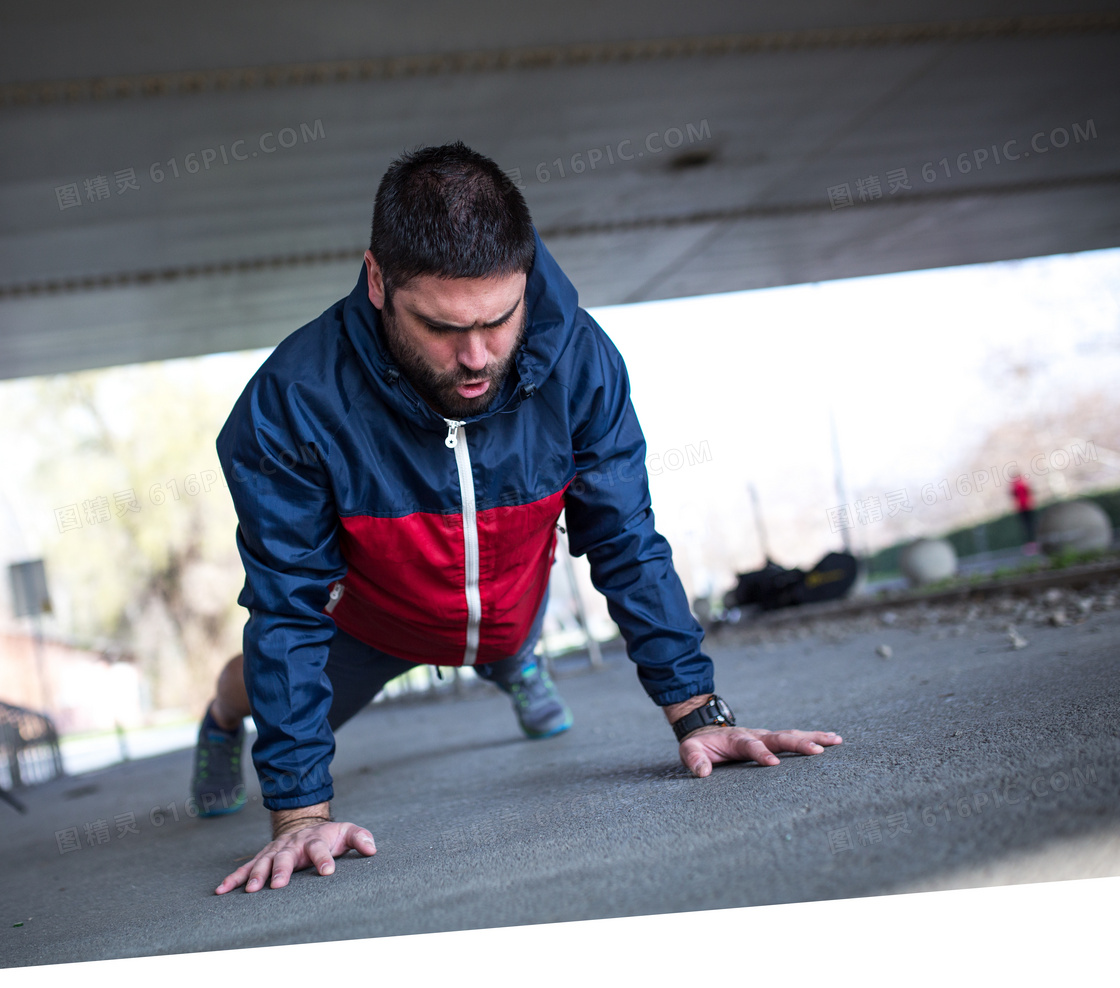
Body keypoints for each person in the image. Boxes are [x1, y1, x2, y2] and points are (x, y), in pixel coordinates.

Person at [192, 142, 843, 896]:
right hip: (374, 622)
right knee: (257, 686)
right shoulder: (289, 403)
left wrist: (701, 713)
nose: (475, 356)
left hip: (509, 605)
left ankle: (515, 661)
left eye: (498, 320)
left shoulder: (583, 361)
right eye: (440, 328)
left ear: (527, 275)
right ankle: (216, 717)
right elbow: (289, 609)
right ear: (377, 280)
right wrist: (300, 814)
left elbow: (625, 540)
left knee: (505, 637)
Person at [1009, 470, 1038, 553]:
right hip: (1024, 507)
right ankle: (1032, 544)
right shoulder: (1021, 484)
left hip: (1025, 507)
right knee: (1029, 526)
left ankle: (1032, 543)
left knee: (1028, 526)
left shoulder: (1018, 485)